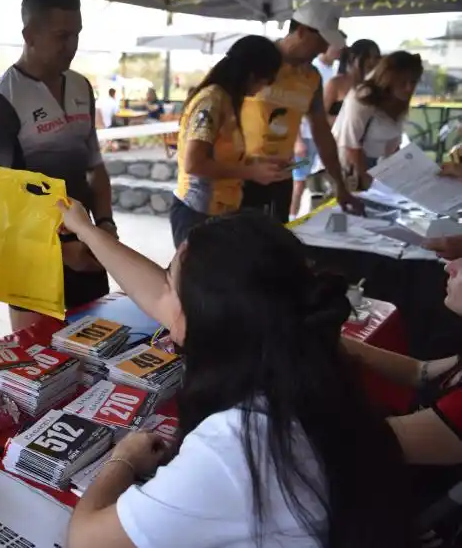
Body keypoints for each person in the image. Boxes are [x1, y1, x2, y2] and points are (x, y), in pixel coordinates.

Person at [58, 205, 413, 548]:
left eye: (171, 283)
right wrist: (86, 229)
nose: (163, 299)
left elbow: (87, 540)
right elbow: (160, 296)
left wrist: (124, 459)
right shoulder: (307, 361)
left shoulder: (234, 447)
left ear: (201, 319)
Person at [0, 0, 112, 331]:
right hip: (32, 264)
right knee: (39, 362)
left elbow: (95, 168)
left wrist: (105, 225)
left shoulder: (81, 86)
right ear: (29, 35)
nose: (72, 46)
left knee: (99, 354)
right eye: (62, 36)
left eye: (76, 34)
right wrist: (60, 250)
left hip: (87, 251)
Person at [341, 256, 462, 540]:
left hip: (419, 513)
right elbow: (421, 372)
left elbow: (365, 441)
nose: (450, 266)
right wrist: (337, 343)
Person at [239, 1, 361, 222]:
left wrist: (339, 185)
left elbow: (321, 131)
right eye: (321, 42)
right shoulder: (256, 60)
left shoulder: (311, 77)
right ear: (302, 31)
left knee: (275, 239)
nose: (323, 49)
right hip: (240, 176)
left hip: (280, 178)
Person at [169, 35, 286, 246]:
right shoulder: (211, 100)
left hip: (221, 211)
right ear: (252, 74)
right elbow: (194, 164)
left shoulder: (228, 101)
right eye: (266, 80)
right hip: (198, 211)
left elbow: (223, 156)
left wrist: (259, 164)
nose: (263, 89)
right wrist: (251, 173)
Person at [333, 50, 423, 190]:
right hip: (351, 165)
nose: (409, 88)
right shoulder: (363, 96)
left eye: (413, 82)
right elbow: (350, 143)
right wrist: (365, 179)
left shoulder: (399, 101)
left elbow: (394, 143)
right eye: (403, 82)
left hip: (379, 165)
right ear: (389, 79)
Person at [289, 41, 359, 218]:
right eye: (335, 45)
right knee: (299, 180)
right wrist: (298, 140)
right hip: (305, 139)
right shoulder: (318, 74)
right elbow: (294, 110)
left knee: (314, 179)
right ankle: (292, 216)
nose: (339, 49)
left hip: (323, 139)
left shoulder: (323, 73)